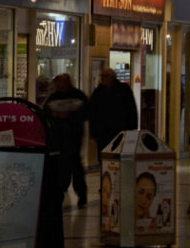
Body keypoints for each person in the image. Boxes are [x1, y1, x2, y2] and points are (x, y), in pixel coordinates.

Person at [41, 72, 89, 207]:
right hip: (58, 137)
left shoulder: (78, 96)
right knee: (62, 165)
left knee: (74, 164)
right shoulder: (53, 98)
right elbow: (45, 115)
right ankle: (61, 191)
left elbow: (85, 113)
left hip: (74, 136)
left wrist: (67, 117)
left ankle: (81, 194)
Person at [88, 67, 138, 157]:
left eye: (104, 76)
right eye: (101, 76)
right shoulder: (98, 92)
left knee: (118, 154)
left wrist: (132, 129)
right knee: (104, 155)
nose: (102, 78)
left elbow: (131, 110)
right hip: (102, 131)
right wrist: (93, 132)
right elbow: (92, 112)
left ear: (112, 77)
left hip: (119, 130)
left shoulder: (123, 90)